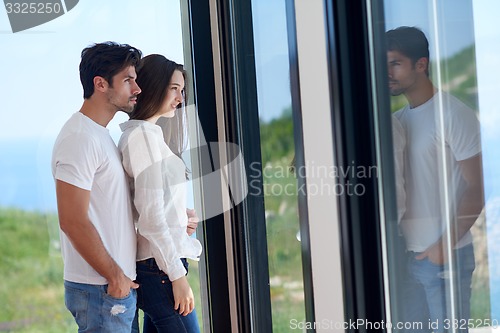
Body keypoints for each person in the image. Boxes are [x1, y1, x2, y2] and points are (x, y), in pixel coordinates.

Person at [386, 26, 484, 332]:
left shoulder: (454, 114)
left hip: (446, 258)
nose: (387, 72)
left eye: (395, 63)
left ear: (421, 64)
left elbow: (477, 187)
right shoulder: (398, 122)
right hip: (407, 259)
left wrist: (443, 246)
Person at [51, 42, 142, 332]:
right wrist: (115, 278)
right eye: (128, 80)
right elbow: (73, 221)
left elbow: (113, 208)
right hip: (101, 290)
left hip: (111, 289)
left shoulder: (99, 135)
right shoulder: (80, 138)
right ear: (100, 84)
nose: (137, 88)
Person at [118, 54, 203, 333]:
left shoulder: (150, 136)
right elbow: (152, 218)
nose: (180, 98)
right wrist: (177, 276)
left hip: (160, 264)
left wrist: (181, 217)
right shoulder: (142, 138)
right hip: (160, 269)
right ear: (153, 86)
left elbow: (155, 206)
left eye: (182, 90)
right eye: (174, 89)